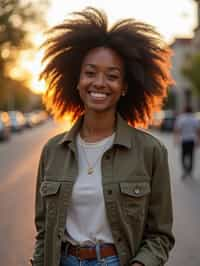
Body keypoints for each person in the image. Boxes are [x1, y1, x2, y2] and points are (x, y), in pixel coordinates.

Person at [31, 7, 175, 266]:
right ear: (76, 81)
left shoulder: (150, 151)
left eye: (112, 76)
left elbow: (160, 236)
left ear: (125, 87)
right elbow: (43, 233)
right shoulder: (52, 151)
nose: (99, 83)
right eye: (90, 73)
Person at [174, 105, 200, 178]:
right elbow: (198, 130)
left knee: (183, 156)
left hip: (184, 140)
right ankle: (189, 170)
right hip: (192, 139)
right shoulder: (194, 118)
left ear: (184, 110)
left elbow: (177, 130)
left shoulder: (181, 118)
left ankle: (185, 169)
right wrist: (198, 140)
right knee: (191, 156)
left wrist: (176, 139)